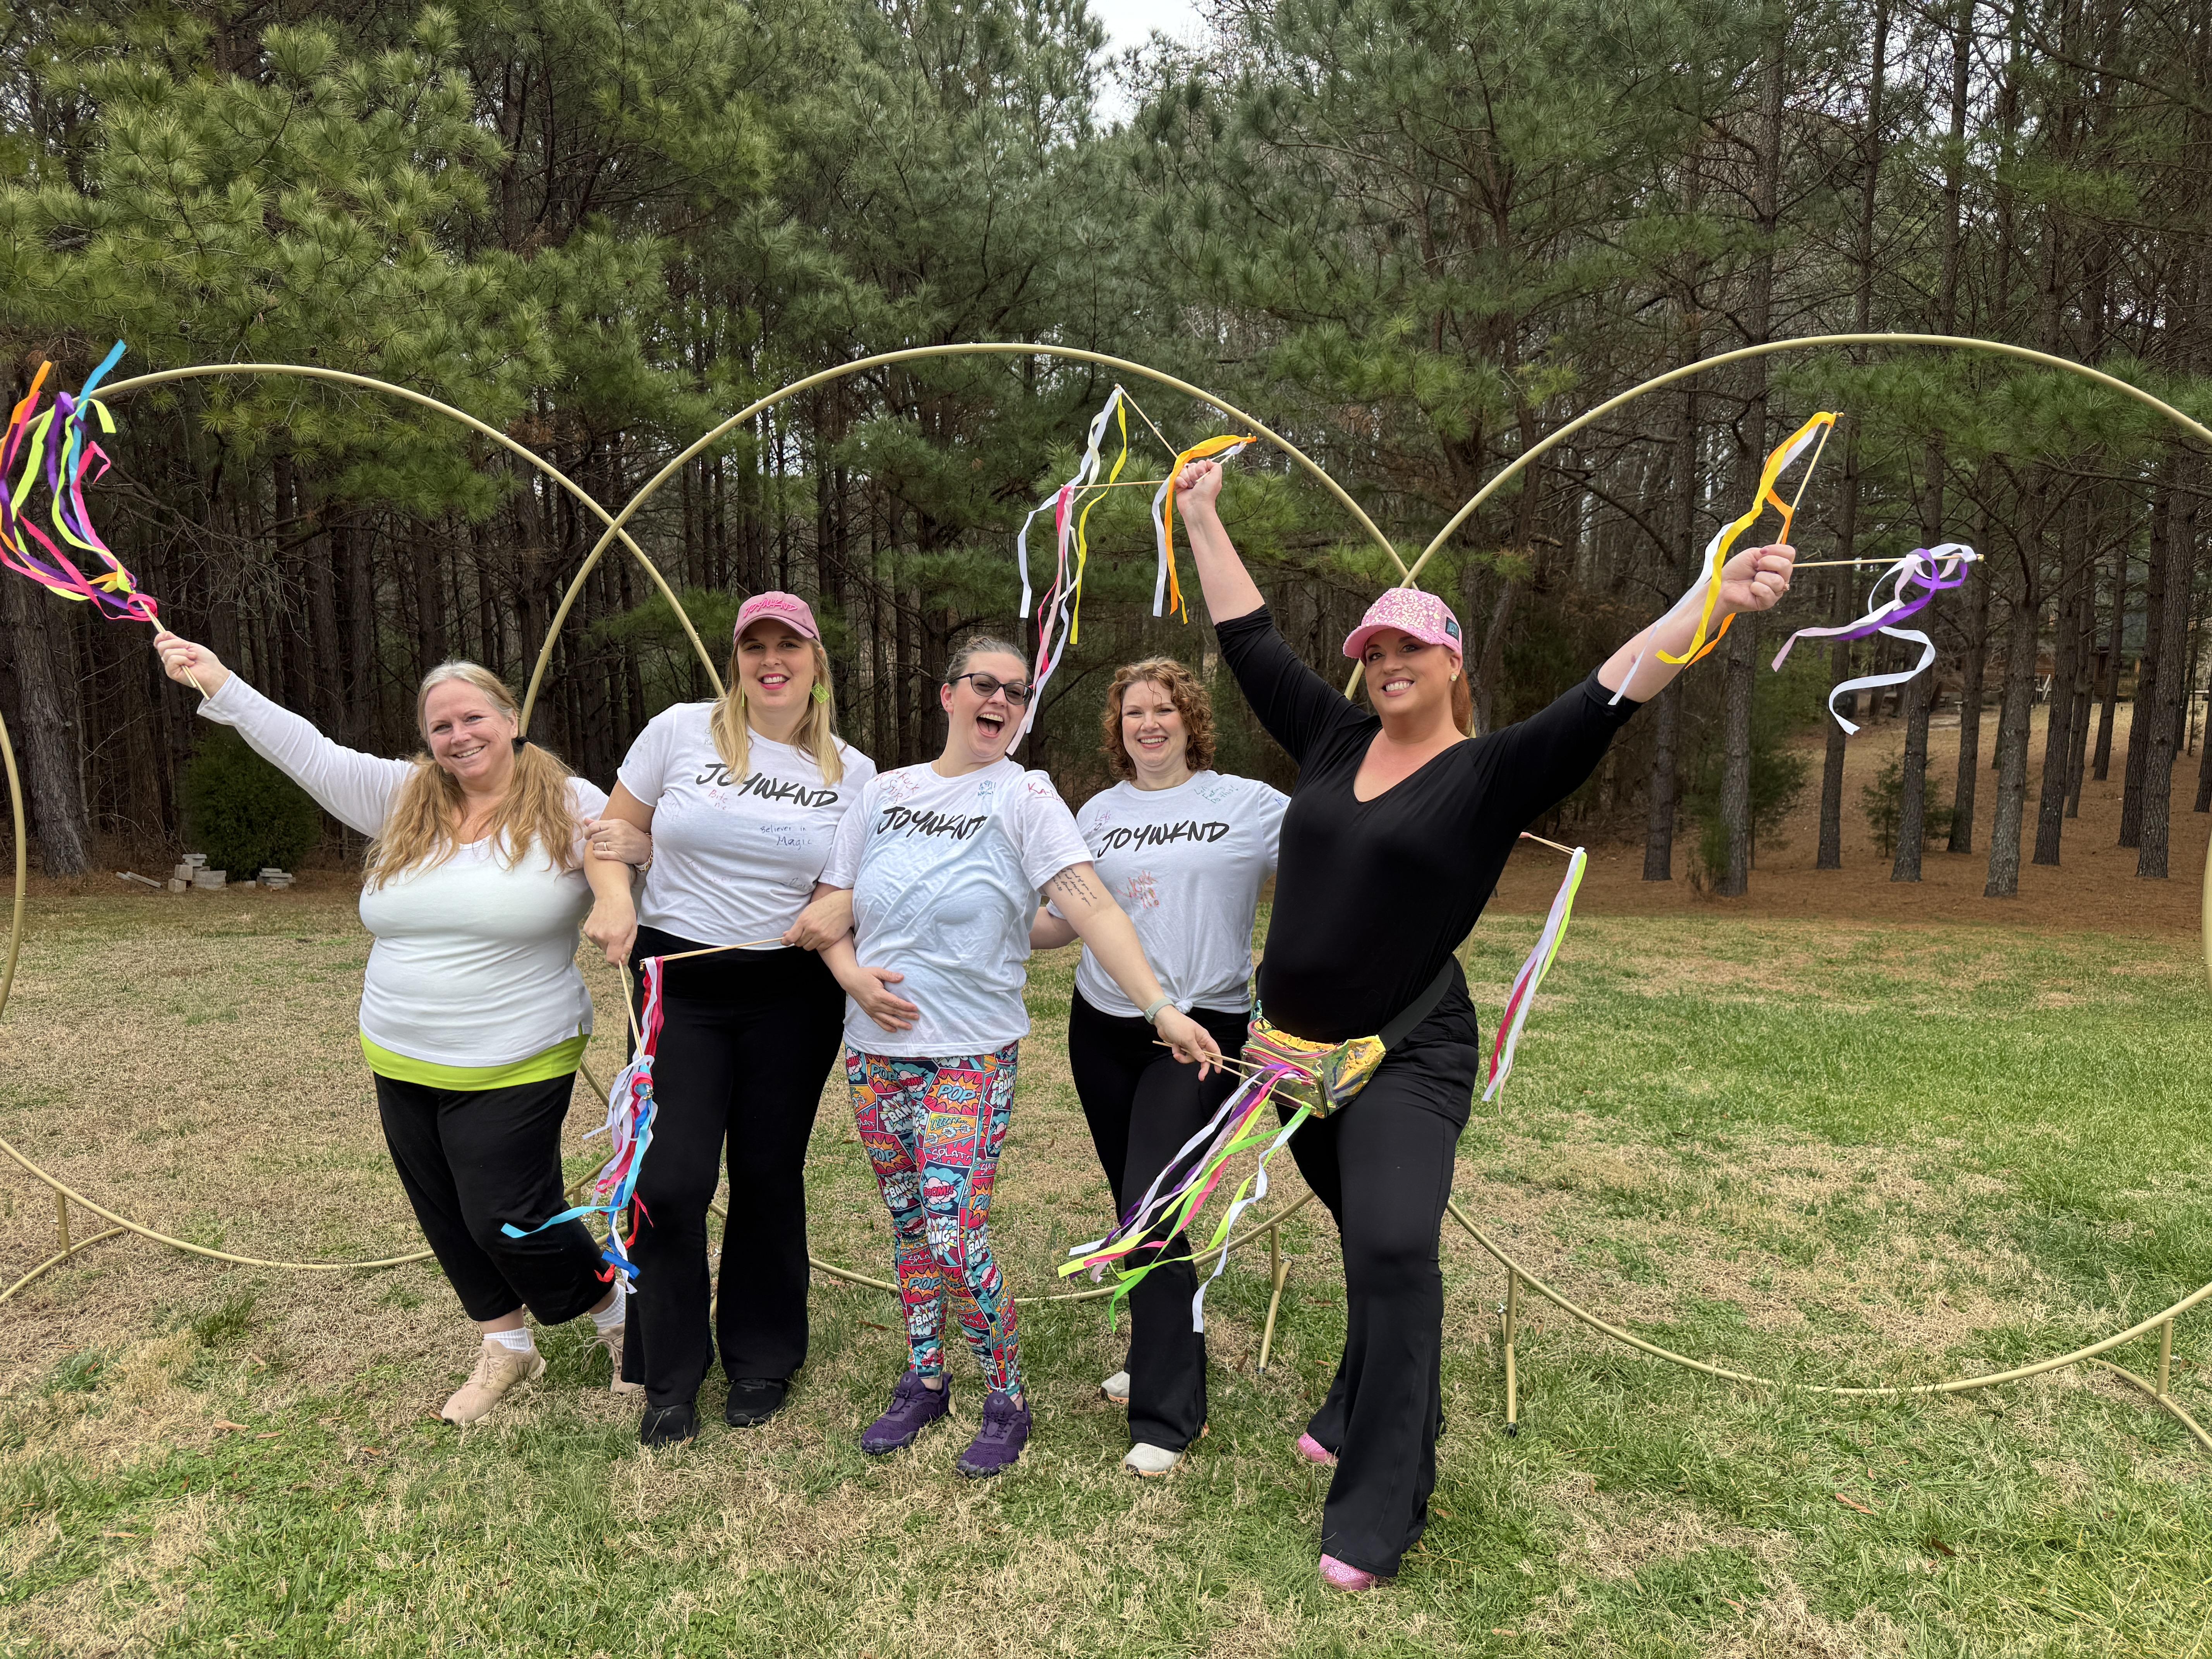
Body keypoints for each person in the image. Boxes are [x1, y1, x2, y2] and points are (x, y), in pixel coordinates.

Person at [1170, 457, 1795, 1589]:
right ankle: (1359, 1390)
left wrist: (1715, 595)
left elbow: (1615, 686)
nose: (1388, 663)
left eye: (1413, 648)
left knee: (1399, 1242)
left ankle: (1380, 1499)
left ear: (1455, 662)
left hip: (1408, 1051)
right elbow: (1249, 638)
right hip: (1295, 1061)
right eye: (1374, 650)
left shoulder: (1494, 772)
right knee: (1367, 1238)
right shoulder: (1332, 740)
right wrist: (1200, 514)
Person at [151, 633, 634, 1427]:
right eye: (441, 726)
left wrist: (616, 896)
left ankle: (619, 1318)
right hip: (401, 1046)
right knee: (443, 1211)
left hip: (517, 1050)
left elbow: (624, 847)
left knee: (507, 1217)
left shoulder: (569, 802)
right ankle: (505, 1345)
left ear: (511, 718)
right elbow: (304, 749)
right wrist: (219, 683)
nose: (459, 736)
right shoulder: (403, 796)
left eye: (473, 717)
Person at [813, 636, 1224, 1478]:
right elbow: (830, 909)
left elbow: (1091, 906)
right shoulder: (884, 792)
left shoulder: (1028, 796)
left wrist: (1159, 1006)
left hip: (970, 1053)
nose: (999, 700)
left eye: (1016, 691)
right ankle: (927, 1380)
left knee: (955, 1230)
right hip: (875, 1053)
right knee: (908, 1225)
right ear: (947, 695)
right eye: (983, 685)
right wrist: (852, 976)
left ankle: (1007, 1398)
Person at [579, 592, 876, 1446]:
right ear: (737, 659)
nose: (772, 660)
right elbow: (613, 835)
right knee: (668, 1180)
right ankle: (669, 1371)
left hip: (792, 991)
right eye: (757, 646)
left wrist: (838, 906)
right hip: (679, 979)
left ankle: (762, 1358)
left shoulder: (852, 773)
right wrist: (615, 906)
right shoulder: (679, 730)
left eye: (791, 646)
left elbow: (859, 876)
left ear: (817, 664)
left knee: (768, 1173)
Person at [1029, 658, 1286, 1477]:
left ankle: (1169, 1415)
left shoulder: (1247, 803)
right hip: (1103, 1027)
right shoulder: (1098, 811)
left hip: (1204, 1028)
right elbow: (1064, 921)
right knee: (1136, 1199)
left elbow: (1340, 849)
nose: (1149, 723)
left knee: (1151, 1202)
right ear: (1119, 726)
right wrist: (977, 918)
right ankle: (1155, 1353)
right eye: (1135, 710)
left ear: (1191, 720)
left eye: (1164, 709)